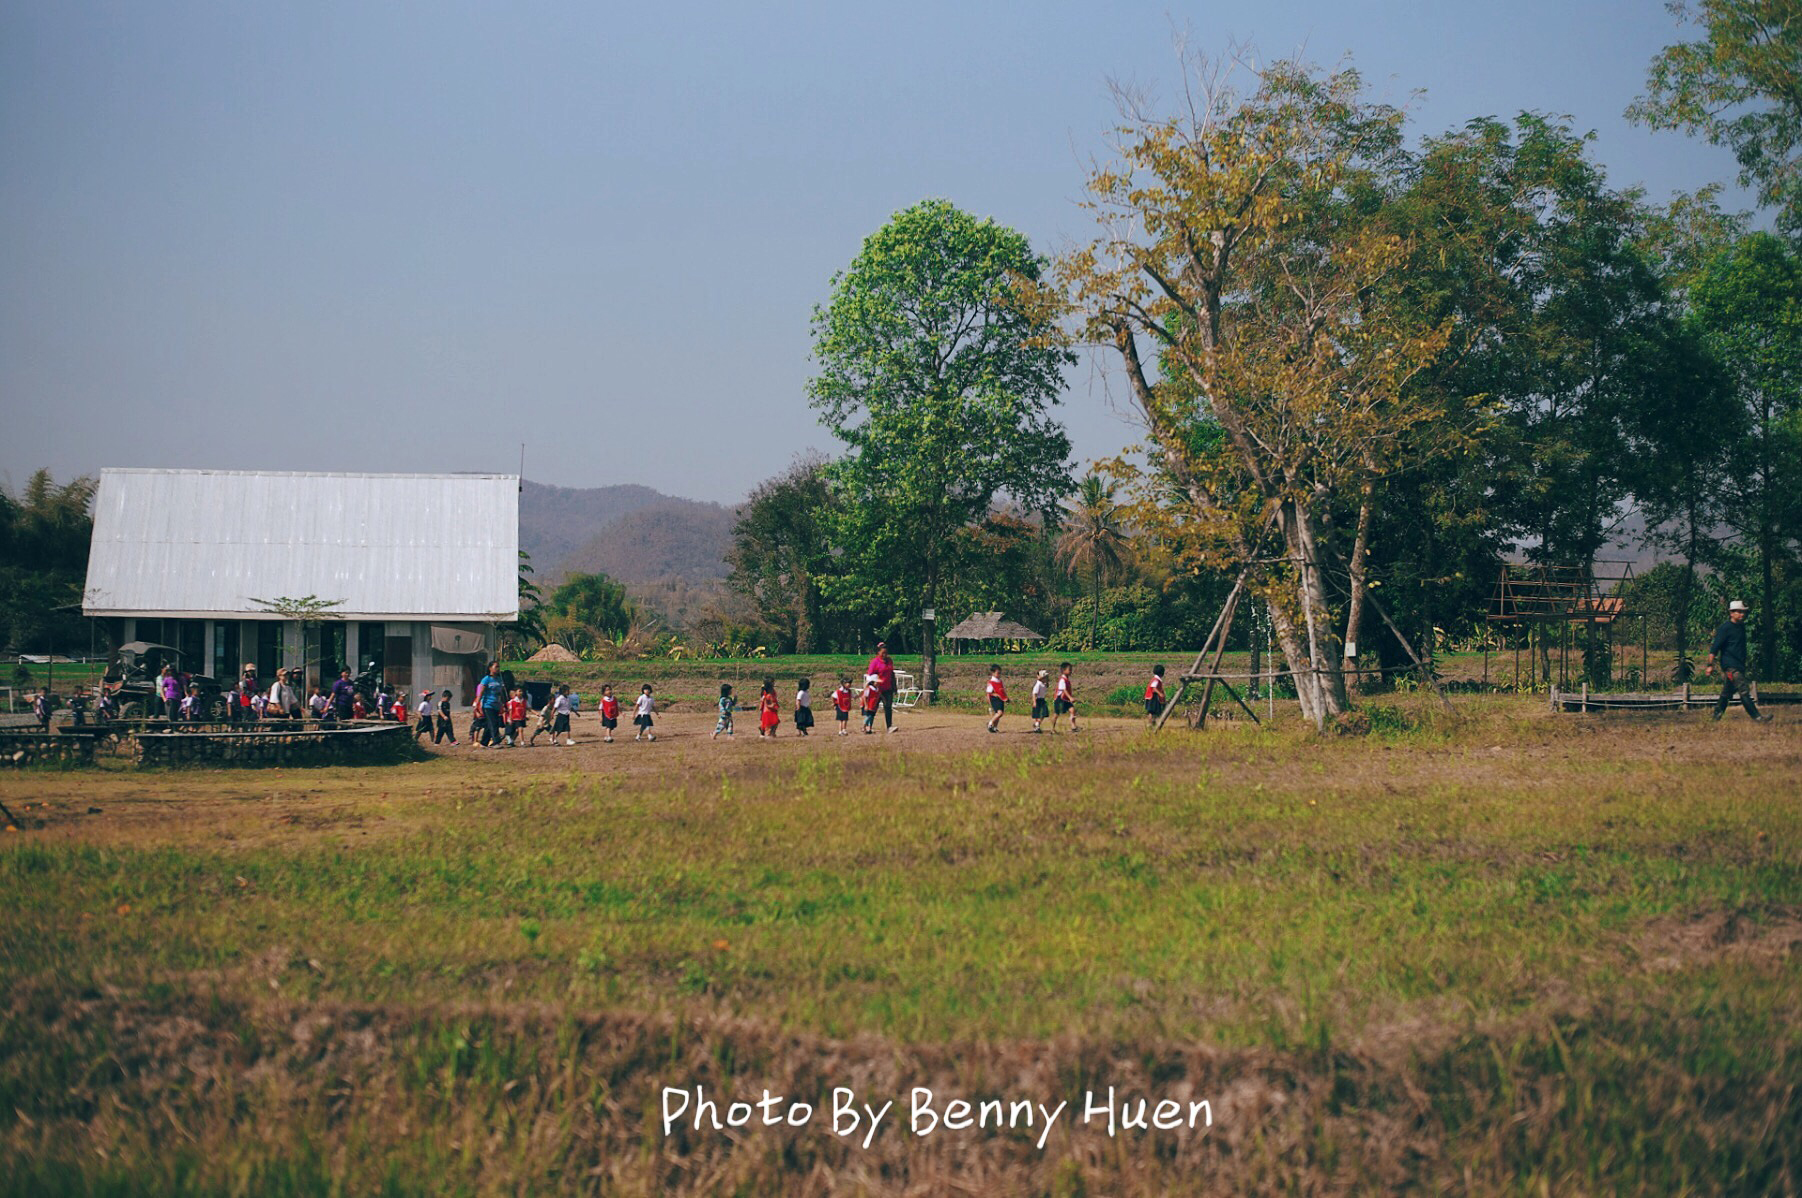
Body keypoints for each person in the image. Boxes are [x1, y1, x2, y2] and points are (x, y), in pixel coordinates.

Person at [1706, 600, 1772, 722]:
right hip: (1730, 665)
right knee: (1743, 690)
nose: (1742, 614)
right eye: (1739, 612)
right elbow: (1714, 648)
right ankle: (1757, 717)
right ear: (1731, 613)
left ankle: (1716, 717)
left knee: (1727, 692)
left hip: (1739, 664)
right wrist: (1710, 665)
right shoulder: (1725, 628)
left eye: (1743, 612)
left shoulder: (1741, 627)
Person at [865, 641, 898, 733]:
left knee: (888, 707)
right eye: (883, 653)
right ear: (878, 652)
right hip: (877, 690)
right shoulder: (874, 662)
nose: (884, 655)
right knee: (873, 708)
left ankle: (889, 726)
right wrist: (873, 683)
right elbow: (869, 675)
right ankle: (868, 727)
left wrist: (894, 686)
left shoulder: (889, 661)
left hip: (887, 688)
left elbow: (891, 673)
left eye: (886, 653)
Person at [474, 663, 505, 747]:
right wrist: (477, 704)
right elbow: (481, 693)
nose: (498, 669)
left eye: (499, 667)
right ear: (490, 668)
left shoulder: (499, 679)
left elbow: (500, 693)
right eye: (496, 667)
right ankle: (496, 741)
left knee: (489, 724)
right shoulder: (486, 679)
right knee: (494, 723)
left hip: (496, 704)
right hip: (487, 705)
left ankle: (484, 743)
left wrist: (503, 704)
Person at [1053, 662, 1077, 734]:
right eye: (1069, 669)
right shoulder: (1062, 680)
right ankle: (1052, 728)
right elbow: (1064, 690)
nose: (1071, 671)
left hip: (1066, 699)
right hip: (1060, 699)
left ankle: (1073, 726)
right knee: (1056, 714)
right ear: (1063, 670)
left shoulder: (1066, 679)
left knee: (1072, 710)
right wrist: (1070, 698)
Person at [985, 665, 1008, 733]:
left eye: (1000, 673)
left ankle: (994, 727)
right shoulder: (991, 682)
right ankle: (990, 723)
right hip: (994, 699)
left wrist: (1006, 697)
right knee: (999, 713)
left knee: (999, 714)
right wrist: (990, 701)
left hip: (1000, 699)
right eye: (998, 673)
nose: (999, 674)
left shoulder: (999, 681)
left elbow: (1002, 690)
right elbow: (989, 692)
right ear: (993, 673)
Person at [1030, 669, 1050, 733]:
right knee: (1038, 714)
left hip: (1042, 700)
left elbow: (1046, 686)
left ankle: (1037, 724)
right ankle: (1037, 726)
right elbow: (1034, 693)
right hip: (1038, 700)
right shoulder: (1038, 684)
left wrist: (1046, 681)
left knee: (1043, 713)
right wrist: (1034, 702)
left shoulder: (1042, 684)